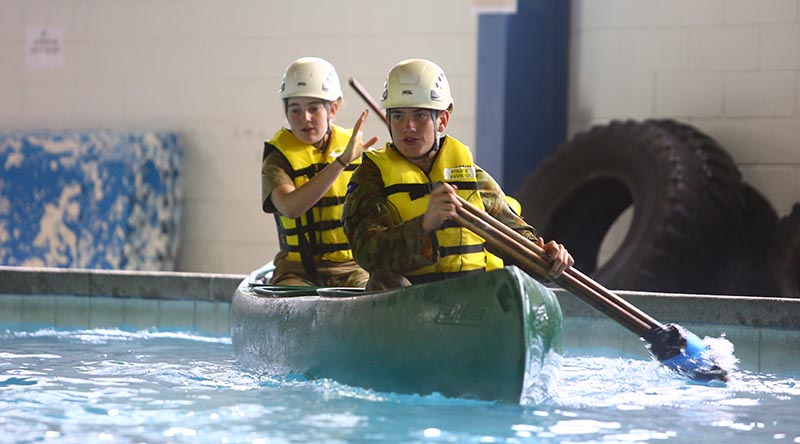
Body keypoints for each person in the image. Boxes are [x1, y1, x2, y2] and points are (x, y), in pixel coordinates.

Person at [342, 58, 573, 289]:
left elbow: (513, 233)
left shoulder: (471, 176)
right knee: (384, 281)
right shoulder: (371, 177)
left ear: (441, 120)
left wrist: (545, 255)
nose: (408, 127)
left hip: (469, 300)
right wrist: (423, 226)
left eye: (420, 115)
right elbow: (367, 253)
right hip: (409, 303)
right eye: (399, 115)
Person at [261, 57, 378, 287]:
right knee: (293, 298)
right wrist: (342, 162)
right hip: (296, 271)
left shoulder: (361, 153)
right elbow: (290, 207)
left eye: (314, 108)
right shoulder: (277, 158)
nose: (305, 118)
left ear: (333, 108)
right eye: (295, 109)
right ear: (285, 112)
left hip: (352, 268)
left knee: (372, 290)